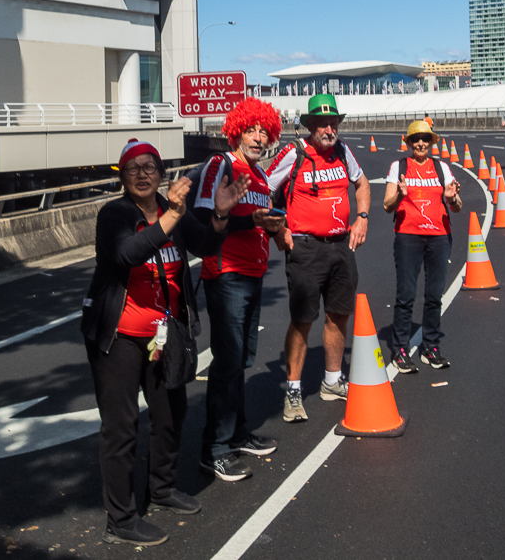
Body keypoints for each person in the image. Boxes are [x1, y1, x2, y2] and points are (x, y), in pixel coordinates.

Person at [81, 139, 245, 546]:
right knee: (121, 427)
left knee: (170, 413)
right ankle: (120, 519)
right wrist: (171, 214)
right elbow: (127, 255)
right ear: (122, 176)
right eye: (133, 168)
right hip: (118, 334)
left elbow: (206, 246)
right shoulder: (114, 215)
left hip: (165, 334)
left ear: (161, 174)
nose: (142, 174)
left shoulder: (176, 214)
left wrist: (221, 216)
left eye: (150, 166)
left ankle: (163, 487)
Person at [192, 99, 283, 482]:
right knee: (227, 362)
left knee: (241, 360)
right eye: (252, 130)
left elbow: (258, 221)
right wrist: (251, 222)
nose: (259, 137)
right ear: (237, 130)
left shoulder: (259, 177)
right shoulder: (222, 166)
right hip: (226, 272)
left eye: (265, 132)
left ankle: (237, 431)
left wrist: (275, 229)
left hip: (252, 273)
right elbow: (203, 217)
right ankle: (215, 448)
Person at [266, 93, 370, 422]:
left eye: (333, 122)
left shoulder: (343, 151)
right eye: (321, 123)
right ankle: (294, 389)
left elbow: (362, 183)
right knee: (303, 319)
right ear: (309, 125)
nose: (328, 128)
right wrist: (277, 230)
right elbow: (262, 188)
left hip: (340, 246)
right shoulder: (294, 153)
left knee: (338, 314)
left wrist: (362, 217)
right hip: (305, 247)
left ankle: (332, 381)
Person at [382, 121, 462, 373]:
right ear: (408, 142)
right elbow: (387, 205)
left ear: (431, 142)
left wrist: (452, 198)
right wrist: (400, 195)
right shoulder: (399, 167)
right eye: (415, 139)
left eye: (425, 139)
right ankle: (400, 349)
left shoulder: (442, 168)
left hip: (439, 237)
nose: (420, 143)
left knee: (434, 296)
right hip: (408, 237)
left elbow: (457, 206)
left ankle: (431, 346)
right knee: (406, 295)